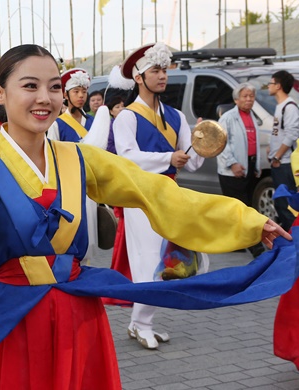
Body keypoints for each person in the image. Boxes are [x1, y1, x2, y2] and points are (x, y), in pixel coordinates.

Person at [0, 44, 292, 390]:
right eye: (29, 86)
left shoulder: (79, 158)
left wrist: (248, 221)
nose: (44, 97)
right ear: (1, 96)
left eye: (53, 86)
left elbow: (160, 195)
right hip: (10, 318)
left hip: (76, 311)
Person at [113, 42, 206, 349]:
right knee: (150, 262)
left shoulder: (176, 116)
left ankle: (140, 323)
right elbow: (126, 158)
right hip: (140, 197)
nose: (163, 76)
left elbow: (190, 159)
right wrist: (168, 158)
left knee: (174, 260)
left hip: (168, 194)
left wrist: (202, 142)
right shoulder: (126, 117)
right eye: (156, 70)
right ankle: (142, 324)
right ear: (139, 77)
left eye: (165, 70)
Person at [217, 83, 265, 257]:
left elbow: (254, 143)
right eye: (244, 96)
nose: (248, 99)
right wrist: (232, 163)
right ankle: (255, 246)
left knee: (246, 206)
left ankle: (237, 242)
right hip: (232, 169)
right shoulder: (228, 118)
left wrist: (257, 165)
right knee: (241, 207)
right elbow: (221, 144)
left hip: (249, 166)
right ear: (236, 99)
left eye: (251, 96)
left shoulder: (252, 116)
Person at [268, 70, 299, 231]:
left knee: (287, 206)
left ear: (278, 86)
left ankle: (294, 242)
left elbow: (292, 134)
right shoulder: (280, 106)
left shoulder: (289, 107)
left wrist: (277, 157)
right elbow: (278, 133)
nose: (269, 86)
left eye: (271, 82)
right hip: (279, 161)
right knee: (281, 204)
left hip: (285, 163)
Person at [47, 68, 94, 142]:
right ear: (66, 95)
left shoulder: (93, 121)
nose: (81, 95)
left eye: (84, 91)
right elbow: (51, 151)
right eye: (76, 91)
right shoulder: (57, 124)